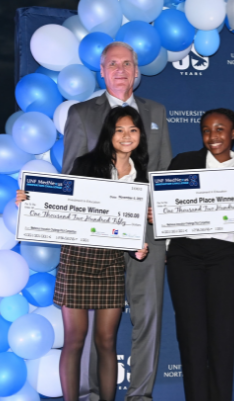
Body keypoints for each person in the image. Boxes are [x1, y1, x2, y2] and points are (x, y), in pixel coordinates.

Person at [62, 42, 172, 401]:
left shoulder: (157, 111)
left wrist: (162, 213)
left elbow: (162, 175)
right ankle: (93, 393)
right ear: (102, 69)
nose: (121, 69)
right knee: (95, 328)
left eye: (128, 63)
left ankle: (140, 395)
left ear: (137, 69)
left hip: (146, 236)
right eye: (113, 63)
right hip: (97, 240)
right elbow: (70, 179)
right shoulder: (81, 113)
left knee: (148, 318)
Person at [18, 106, 149, 401]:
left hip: (111, 265)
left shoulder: (141, 177)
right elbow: (63, 205)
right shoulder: (87, 164)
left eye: (133, 130)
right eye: (119, 130)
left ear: (140, 135)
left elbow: (126, 228)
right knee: (74, 341)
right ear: (109, 134)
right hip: (76, 261)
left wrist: (138, 247)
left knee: (106, 342)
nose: (126, 136)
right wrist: (30, 200)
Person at [146, 108, 234, 401]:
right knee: (191, 337)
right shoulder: (183, 162)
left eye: (219, 129)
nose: (212, 136)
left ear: (233, 133)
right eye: (206, 130)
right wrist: (159, 215)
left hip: (226, 256)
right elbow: (163, 204)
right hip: (185, 257)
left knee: (223, 337)